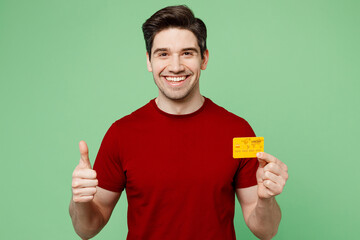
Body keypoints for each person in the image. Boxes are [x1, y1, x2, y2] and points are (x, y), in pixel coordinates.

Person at [69, 5, 289, 240]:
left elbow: (266, 231)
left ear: (204, 58)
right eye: (163, 54)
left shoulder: (240, 131)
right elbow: (87, 229)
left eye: (187, 53)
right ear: (149, 61)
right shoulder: (120, 133)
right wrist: (80, 201)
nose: (175, 66)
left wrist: (266, 200)